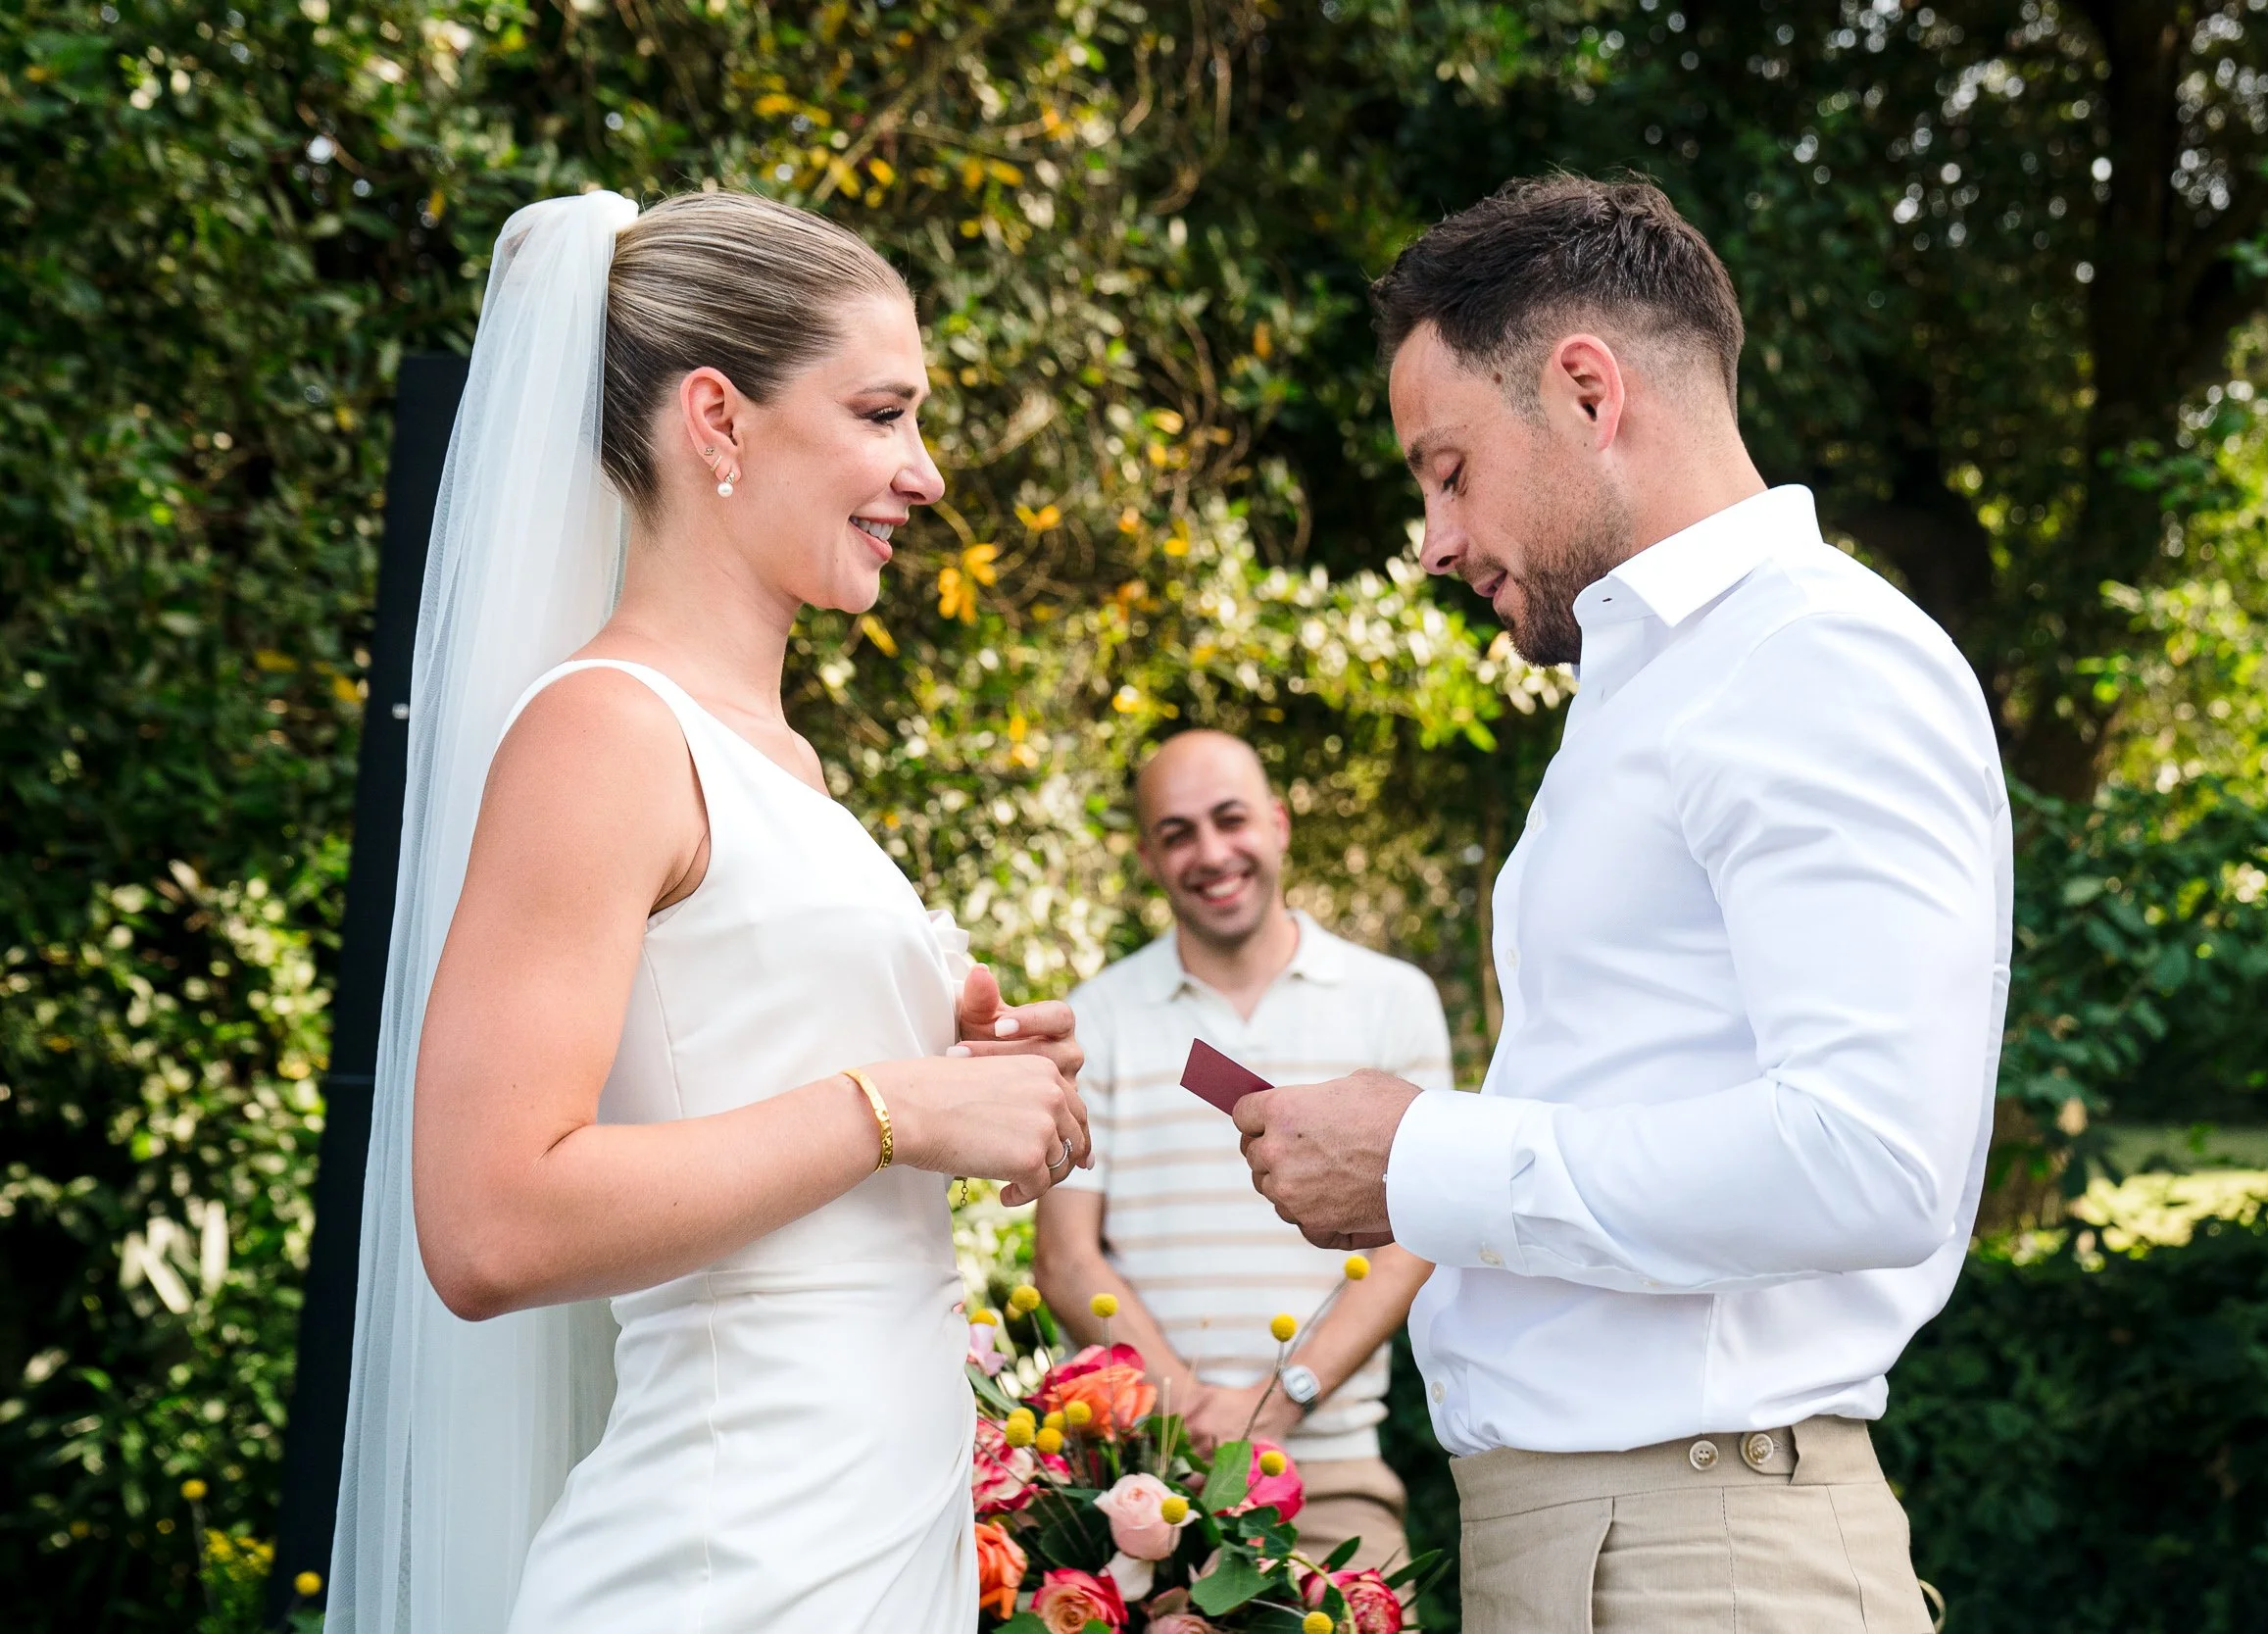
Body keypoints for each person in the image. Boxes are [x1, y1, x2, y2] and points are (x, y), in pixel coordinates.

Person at [1234, 174, 2012, 1633]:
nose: (1433, 539)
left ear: (1588, 392)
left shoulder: (1813, 657)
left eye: (1447, 469)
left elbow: (1868, 1157)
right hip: (1614, 1539)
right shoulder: (1654, 688)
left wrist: (1421, 1156)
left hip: (1700, 1552)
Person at [330, 190, 1091, 1634]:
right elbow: (488, 1223)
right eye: (882, 413)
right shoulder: (603, 732)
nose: (925, 472)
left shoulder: (781, 761)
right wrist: (894, 1106)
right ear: (718, 420)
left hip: (872, 1540)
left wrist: (970, 1077)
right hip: (724, 1560)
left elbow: (751, 1086)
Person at [1034, 728, 1451, 1573]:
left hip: (1332, 1472)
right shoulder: (1098, 1016)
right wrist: (1187, 1406)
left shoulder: (1392, 1000)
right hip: (1142, 1478)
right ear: (1149, 857)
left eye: (1231, 819)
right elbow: (1066, 1257)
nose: (1212, 852)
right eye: (1178, 832)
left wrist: (1280, 1401)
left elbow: (1417, 1238)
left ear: (1279, 824)